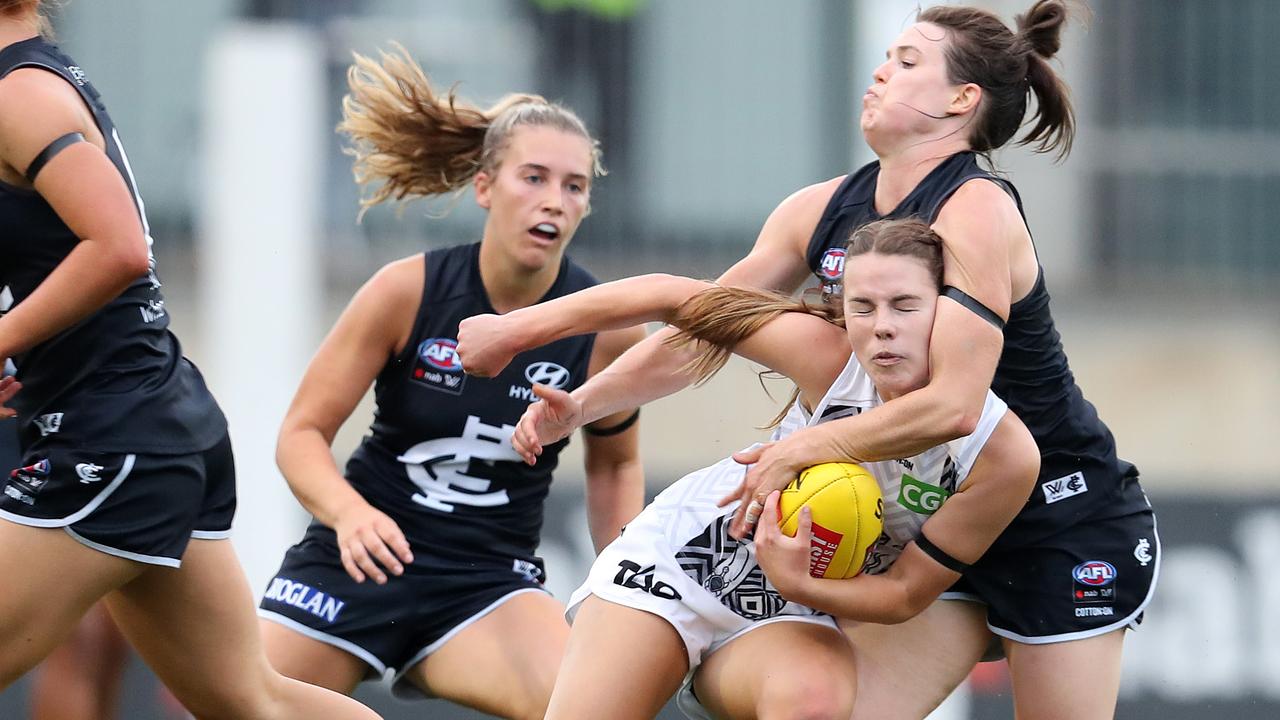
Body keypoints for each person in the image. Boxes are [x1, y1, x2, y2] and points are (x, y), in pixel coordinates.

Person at [464, 2, 1159, 718]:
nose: (882, 70)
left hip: (1057, 519)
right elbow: (702, 324)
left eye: (909, 61)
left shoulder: (975, 210)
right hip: (924, 521)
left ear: (962, 101)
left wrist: (801, 448)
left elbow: (953, 407)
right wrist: (586, 404)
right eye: (889, 55)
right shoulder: (820, 209)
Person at [457, 217, 1041, 719]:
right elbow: (672, 295)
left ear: (955, 313)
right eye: (862, 306)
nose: (881, 325)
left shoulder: (1001, 455)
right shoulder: (831, 357)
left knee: (815, 701)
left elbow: (907, 593)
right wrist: (517, 336)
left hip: (796, 608)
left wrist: (797, 583)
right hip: (678, 570)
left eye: (905, 305)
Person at [0, 3, 380, 718]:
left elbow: (117, 248)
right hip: (149, 429)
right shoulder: (27, 84)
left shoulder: (18, 93)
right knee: (256, 703)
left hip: (112, 440)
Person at [256, 47, 645, 720]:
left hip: (488, 582)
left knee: (589, 709)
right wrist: (349, 516)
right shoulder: (406, 292)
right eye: (534, 177)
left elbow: (616, 466)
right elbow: (300, 435)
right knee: (236, 699)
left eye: (574, 186)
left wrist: (626, 595)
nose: (554, 200)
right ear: (486, 187)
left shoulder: (606, 328)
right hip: (362, 557)